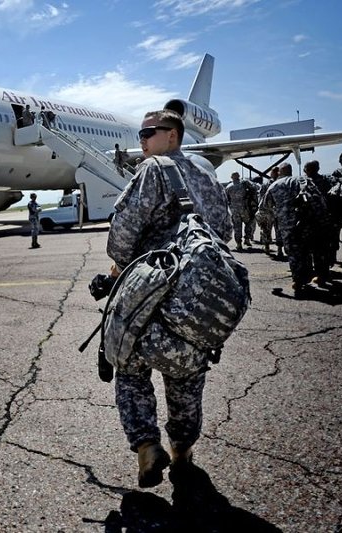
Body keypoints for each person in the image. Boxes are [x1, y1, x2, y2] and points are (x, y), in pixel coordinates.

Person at [105, 109, 232, 488]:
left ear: (173, 136)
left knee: (129, 369)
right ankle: (182, 453)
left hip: (151, 299)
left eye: (150, 132)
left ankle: (147, 447)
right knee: (188, 377)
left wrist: (117, 267)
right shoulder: (205, 172)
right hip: (194, 304)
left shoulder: (153, 169)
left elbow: (122, 233)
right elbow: (224, 230)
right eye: (140, 132)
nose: (142, 139)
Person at [259, 162, 331, 293]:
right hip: (308, 222)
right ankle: (319, 276)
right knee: (312, 248)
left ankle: (298, 280)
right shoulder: (304, 181)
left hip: (287, 226)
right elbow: (319, 200)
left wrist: (271, 218)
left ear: (280, 172)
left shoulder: (274, 185)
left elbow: (263, 209)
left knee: (294, 253)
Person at [225, 172, 258, 251]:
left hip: (234, 210)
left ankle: (238, 243)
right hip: (245, 208)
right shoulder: (244, 184)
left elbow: (226, 199)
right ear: (239, 176)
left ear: (231, 177)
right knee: (248, 223)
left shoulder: (228, 187)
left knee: (237, 227)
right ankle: (247, 239)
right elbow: (254, 189)